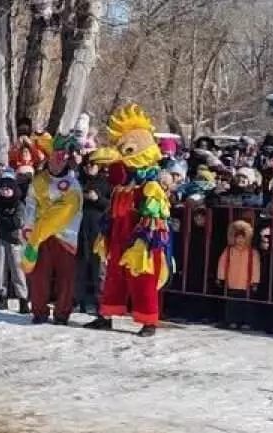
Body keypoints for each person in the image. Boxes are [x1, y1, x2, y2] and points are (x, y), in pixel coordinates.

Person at [87, 105, 172, 338]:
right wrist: (107, 232)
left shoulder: (150, 185)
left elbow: (155, 218)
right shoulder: (123, 184)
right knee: (113, 278)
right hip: (118, 237)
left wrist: (143, 241)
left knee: (143, 282)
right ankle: (106, 315)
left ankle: (149, 321)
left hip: (140, 243)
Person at [21, 134, 83, 325]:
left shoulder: (73, 185)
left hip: (65, 237)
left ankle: (62, 313)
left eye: (61, 159)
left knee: (66, 278)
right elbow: (30, 206)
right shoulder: (38, 182)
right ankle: (39, 311)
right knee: (39, 276)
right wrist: (30, 230)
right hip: (40, 237)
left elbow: (67, 210)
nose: (57, 164)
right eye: (54, 159)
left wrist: (44, 222)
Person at [0, 172, 30, 313]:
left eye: (7, 189)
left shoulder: (18, 204)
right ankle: (1, 297)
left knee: (17, 271)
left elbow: (18, 222)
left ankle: (23, 300)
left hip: (14, 240)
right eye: (2, 189)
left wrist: (0, 220)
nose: (4, 192)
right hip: (0, 238)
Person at [75, 156, 111, 314]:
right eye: (87, 165)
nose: (89, 167)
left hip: (98, 230)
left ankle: (100, 304)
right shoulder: (78, 181)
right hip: (80, 230)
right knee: (79, 269)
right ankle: (78, 301)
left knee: (99, 271)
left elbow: (110, 205)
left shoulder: (104, 182)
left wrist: (97, 199)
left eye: (93, 165)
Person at [216, 219, 260, 330]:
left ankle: (246, 322)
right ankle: (232, 321)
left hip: (246, 283)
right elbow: (222, 263)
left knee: (247, 304)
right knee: (232, 303)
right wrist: (220, 277)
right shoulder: (229, 250)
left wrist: (255, 282)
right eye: (238, 237)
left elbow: (256, 267)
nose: (240, 240)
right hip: (232, 281)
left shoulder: (252, 252)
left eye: (243, 237)